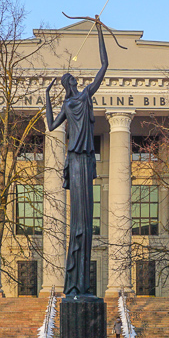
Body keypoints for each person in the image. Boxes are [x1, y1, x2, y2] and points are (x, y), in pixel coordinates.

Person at [45, 20, 109, 299]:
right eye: (73, 80)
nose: (77, 82)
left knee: (84, 220)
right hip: (75, 160)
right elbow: (50, 125)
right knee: (79, 224)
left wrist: (99, 32)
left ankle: (80, 284)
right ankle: (74, 282)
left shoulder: (84, 97)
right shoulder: (70, 103)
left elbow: (103, 67)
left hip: (85, 159)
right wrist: (46, 97)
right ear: (68, 84)